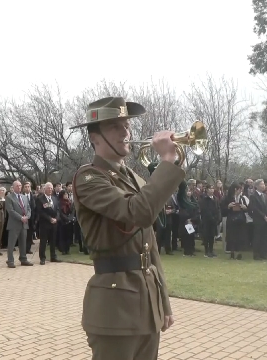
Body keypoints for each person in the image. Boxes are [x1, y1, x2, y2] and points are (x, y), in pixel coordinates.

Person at [70, 97, 184, 360]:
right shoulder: (89, 178)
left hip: (147, 302)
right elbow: (138, 213)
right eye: (115, 127)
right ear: (94, 137)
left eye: (126, 125)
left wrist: (163, 303)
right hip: (115, 308)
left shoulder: (134, 177)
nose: (125, 132)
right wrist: (167, 161)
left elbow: (150, 245)